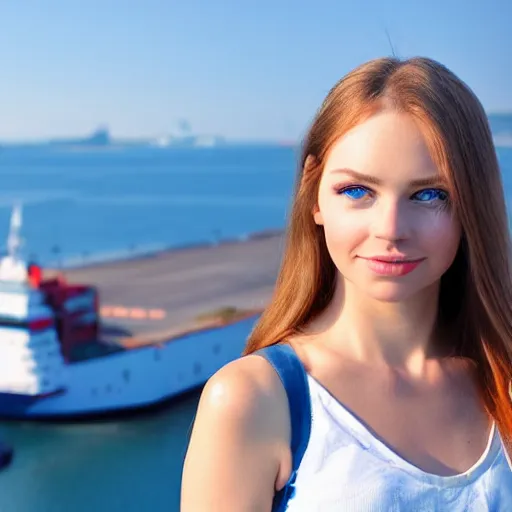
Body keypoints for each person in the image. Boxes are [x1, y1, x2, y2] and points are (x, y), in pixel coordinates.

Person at [181, 57, 512, 511]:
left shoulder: (501, 387)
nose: (390, 228)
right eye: (357, 191)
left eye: (430, 194)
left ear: (472, 206)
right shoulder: (253, 402)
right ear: (313, 195)